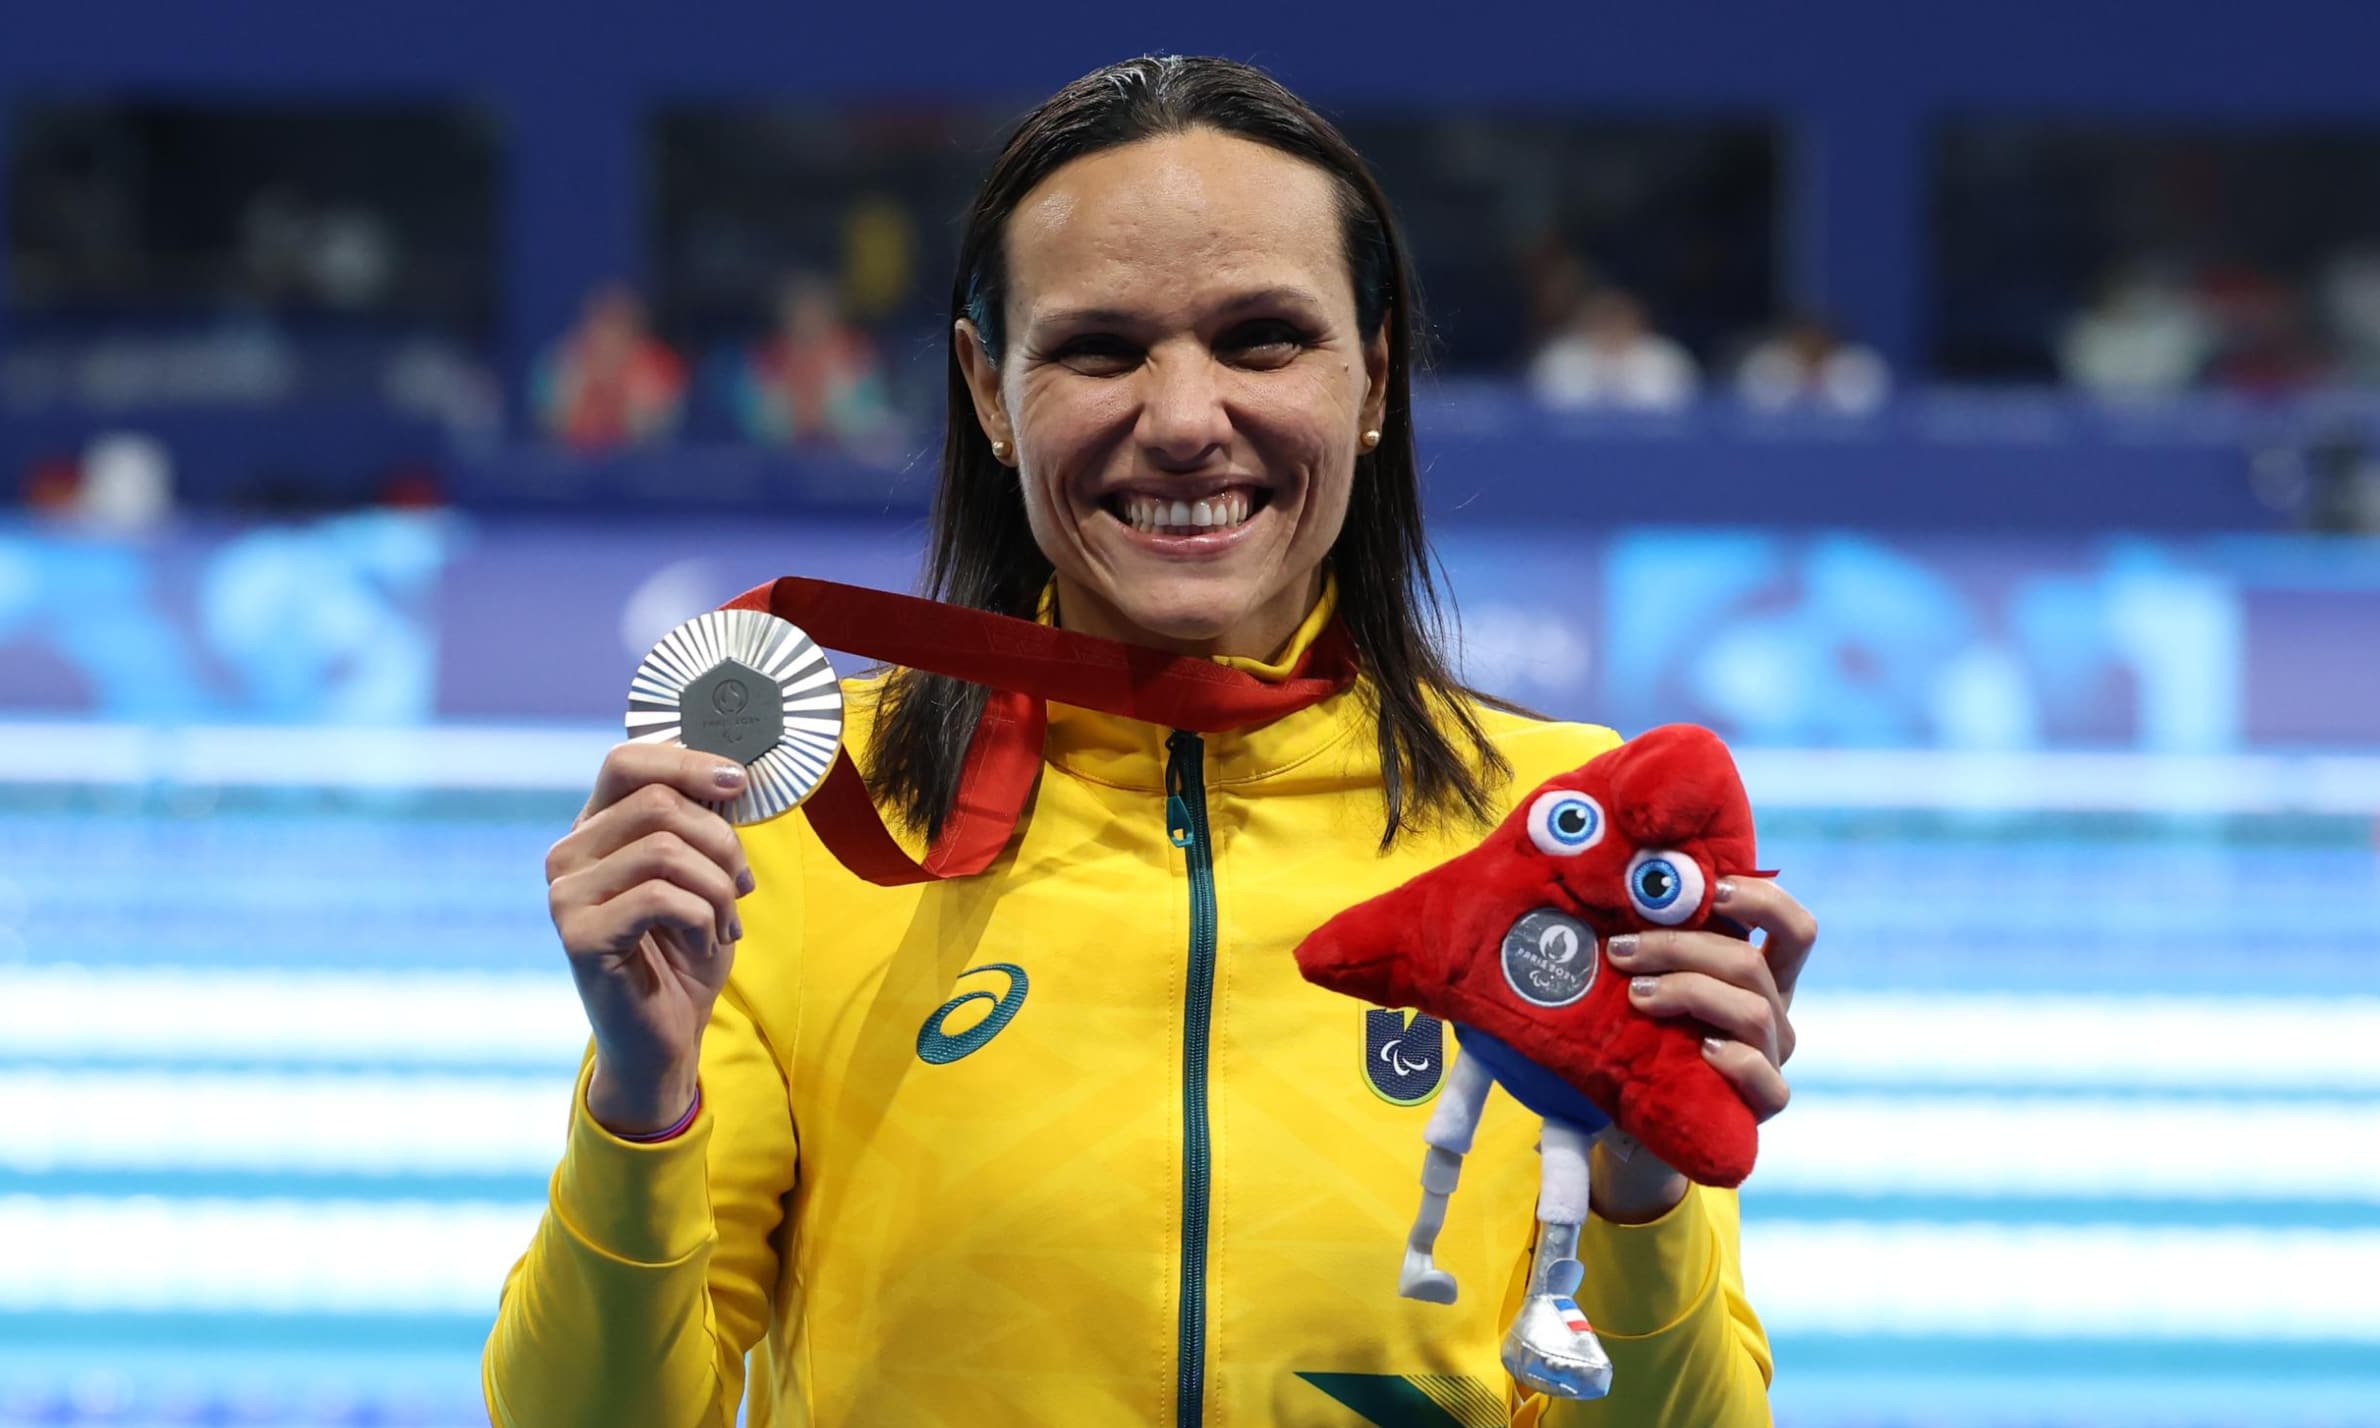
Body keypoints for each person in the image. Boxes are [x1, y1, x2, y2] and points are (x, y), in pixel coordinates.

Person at [486, 55, 1814, 1427]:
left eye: (1262, 340)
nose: (1184, 422)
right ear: (989, 391)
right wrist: (640, 1108)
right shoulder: (809, 824)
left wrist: (1641, 1183)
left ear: (1374, 372)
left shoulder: (1558, 837)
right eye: (1099, 349)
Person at [734, 272, 898, 452]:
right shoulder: (767, 359)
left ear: (832, 315)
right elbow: (754, 424)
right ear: (786, 317)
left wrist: (828, 409)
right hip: (781, 463)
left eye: (816, 312)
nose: (808, 320)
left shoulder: (857, 356)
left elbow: (871, 417)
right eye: (801, 312)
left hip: (847, 463)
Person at [533, 282, 688, 450]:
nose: (608, 337)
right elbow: (550, 425)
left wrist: (617, 393)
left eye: (618, 327)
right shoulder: (560, 363)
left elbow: (650, 431)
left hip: (641, 468)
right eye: (602, 325)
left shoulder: (659, 368)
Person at [1528, 289, 1700, 412]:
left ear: (1639, 322)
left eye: (1619, 320)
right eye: (1603, 321)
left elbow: (1693, 409)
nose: (1612, 328)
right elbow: (1533, 407)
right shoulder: (1559, 358)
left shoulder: (1666, 359)